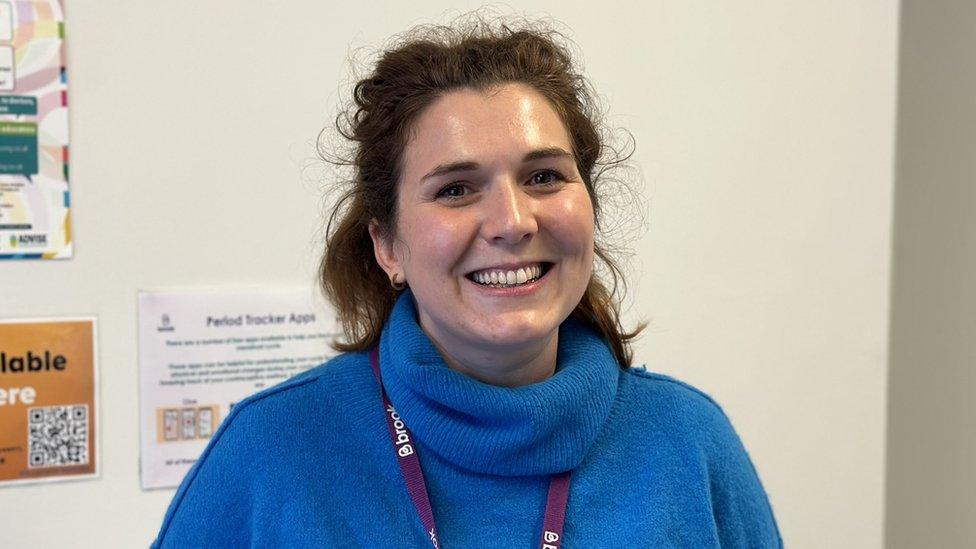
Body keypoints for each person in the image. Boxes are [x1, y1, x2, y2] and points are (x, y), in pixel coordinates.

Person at [153, 18, 781, 548]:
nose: (512, 221)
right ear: (387, 245)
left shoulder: (690, 444)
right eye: (456, 189)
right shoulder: (270, 453)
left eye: (544, 177)